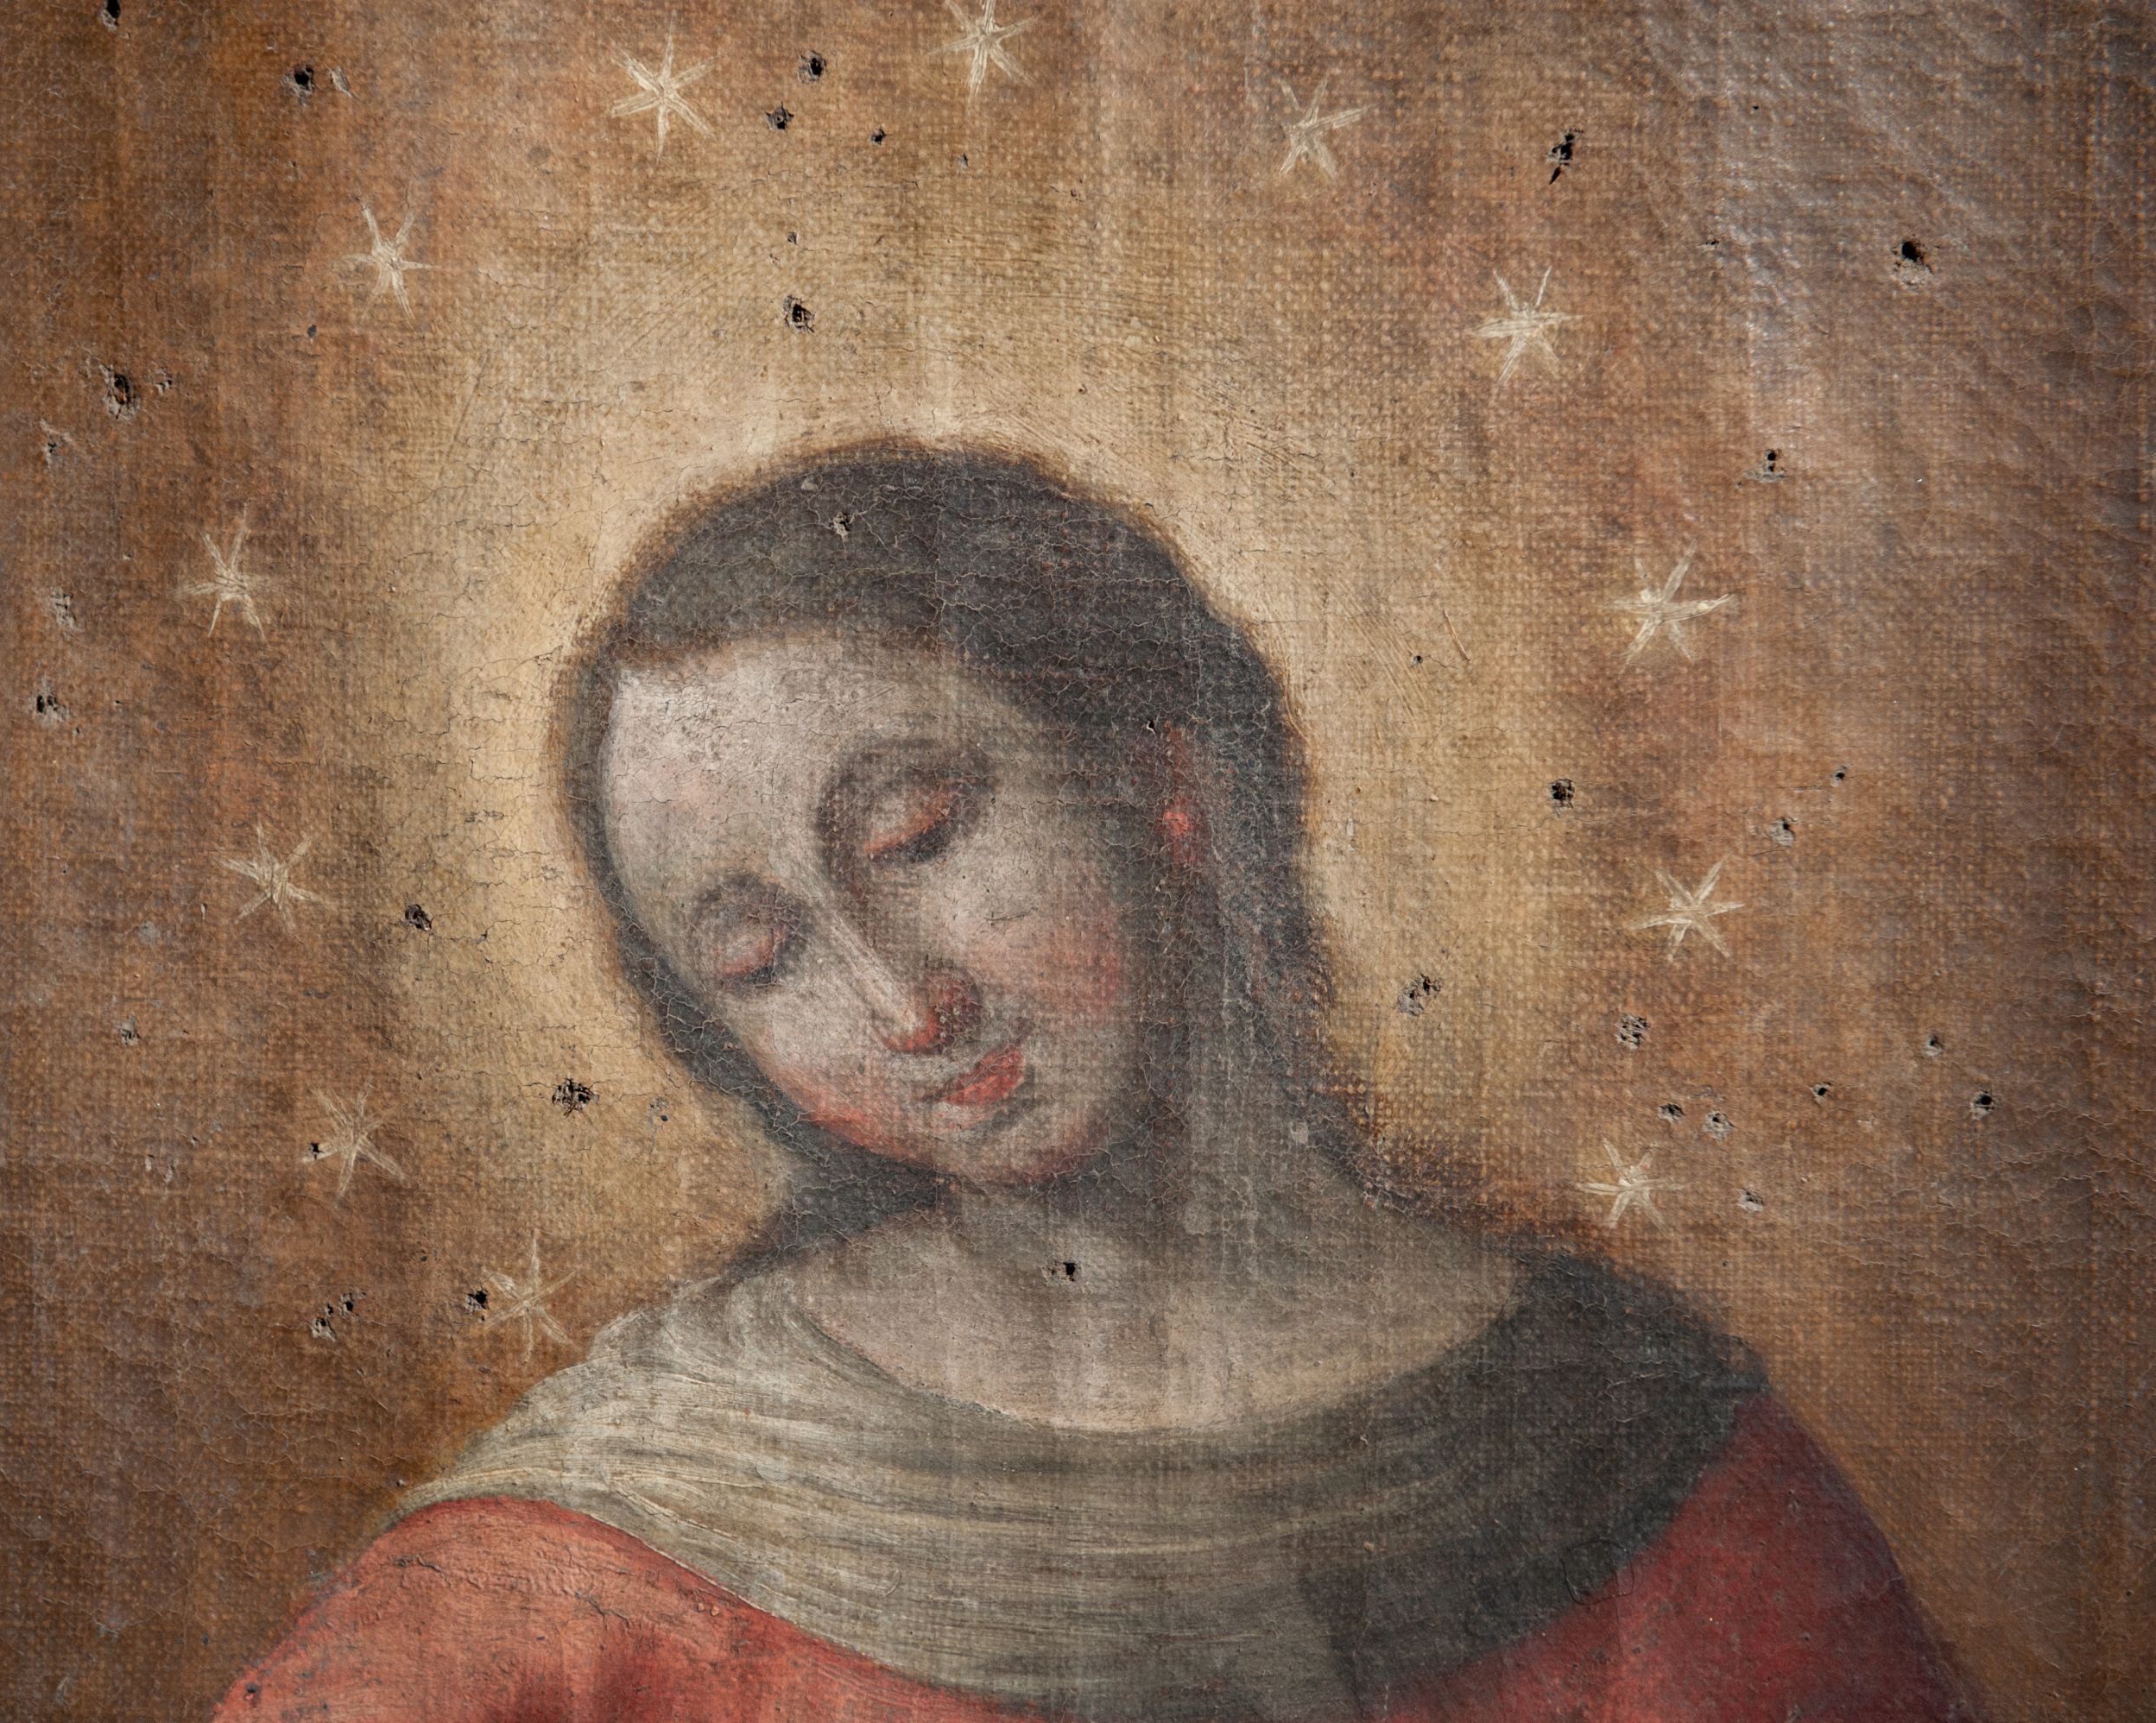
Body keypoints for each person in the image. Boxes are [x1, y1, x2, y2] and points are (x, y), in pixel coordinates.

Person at [215, 446, 1979, 1721]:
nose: (903, 1001)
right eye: (760, 959)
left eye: (918, 833)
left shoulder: (1645, 1440)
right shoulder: (622, 1513)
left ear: (1163, 775)